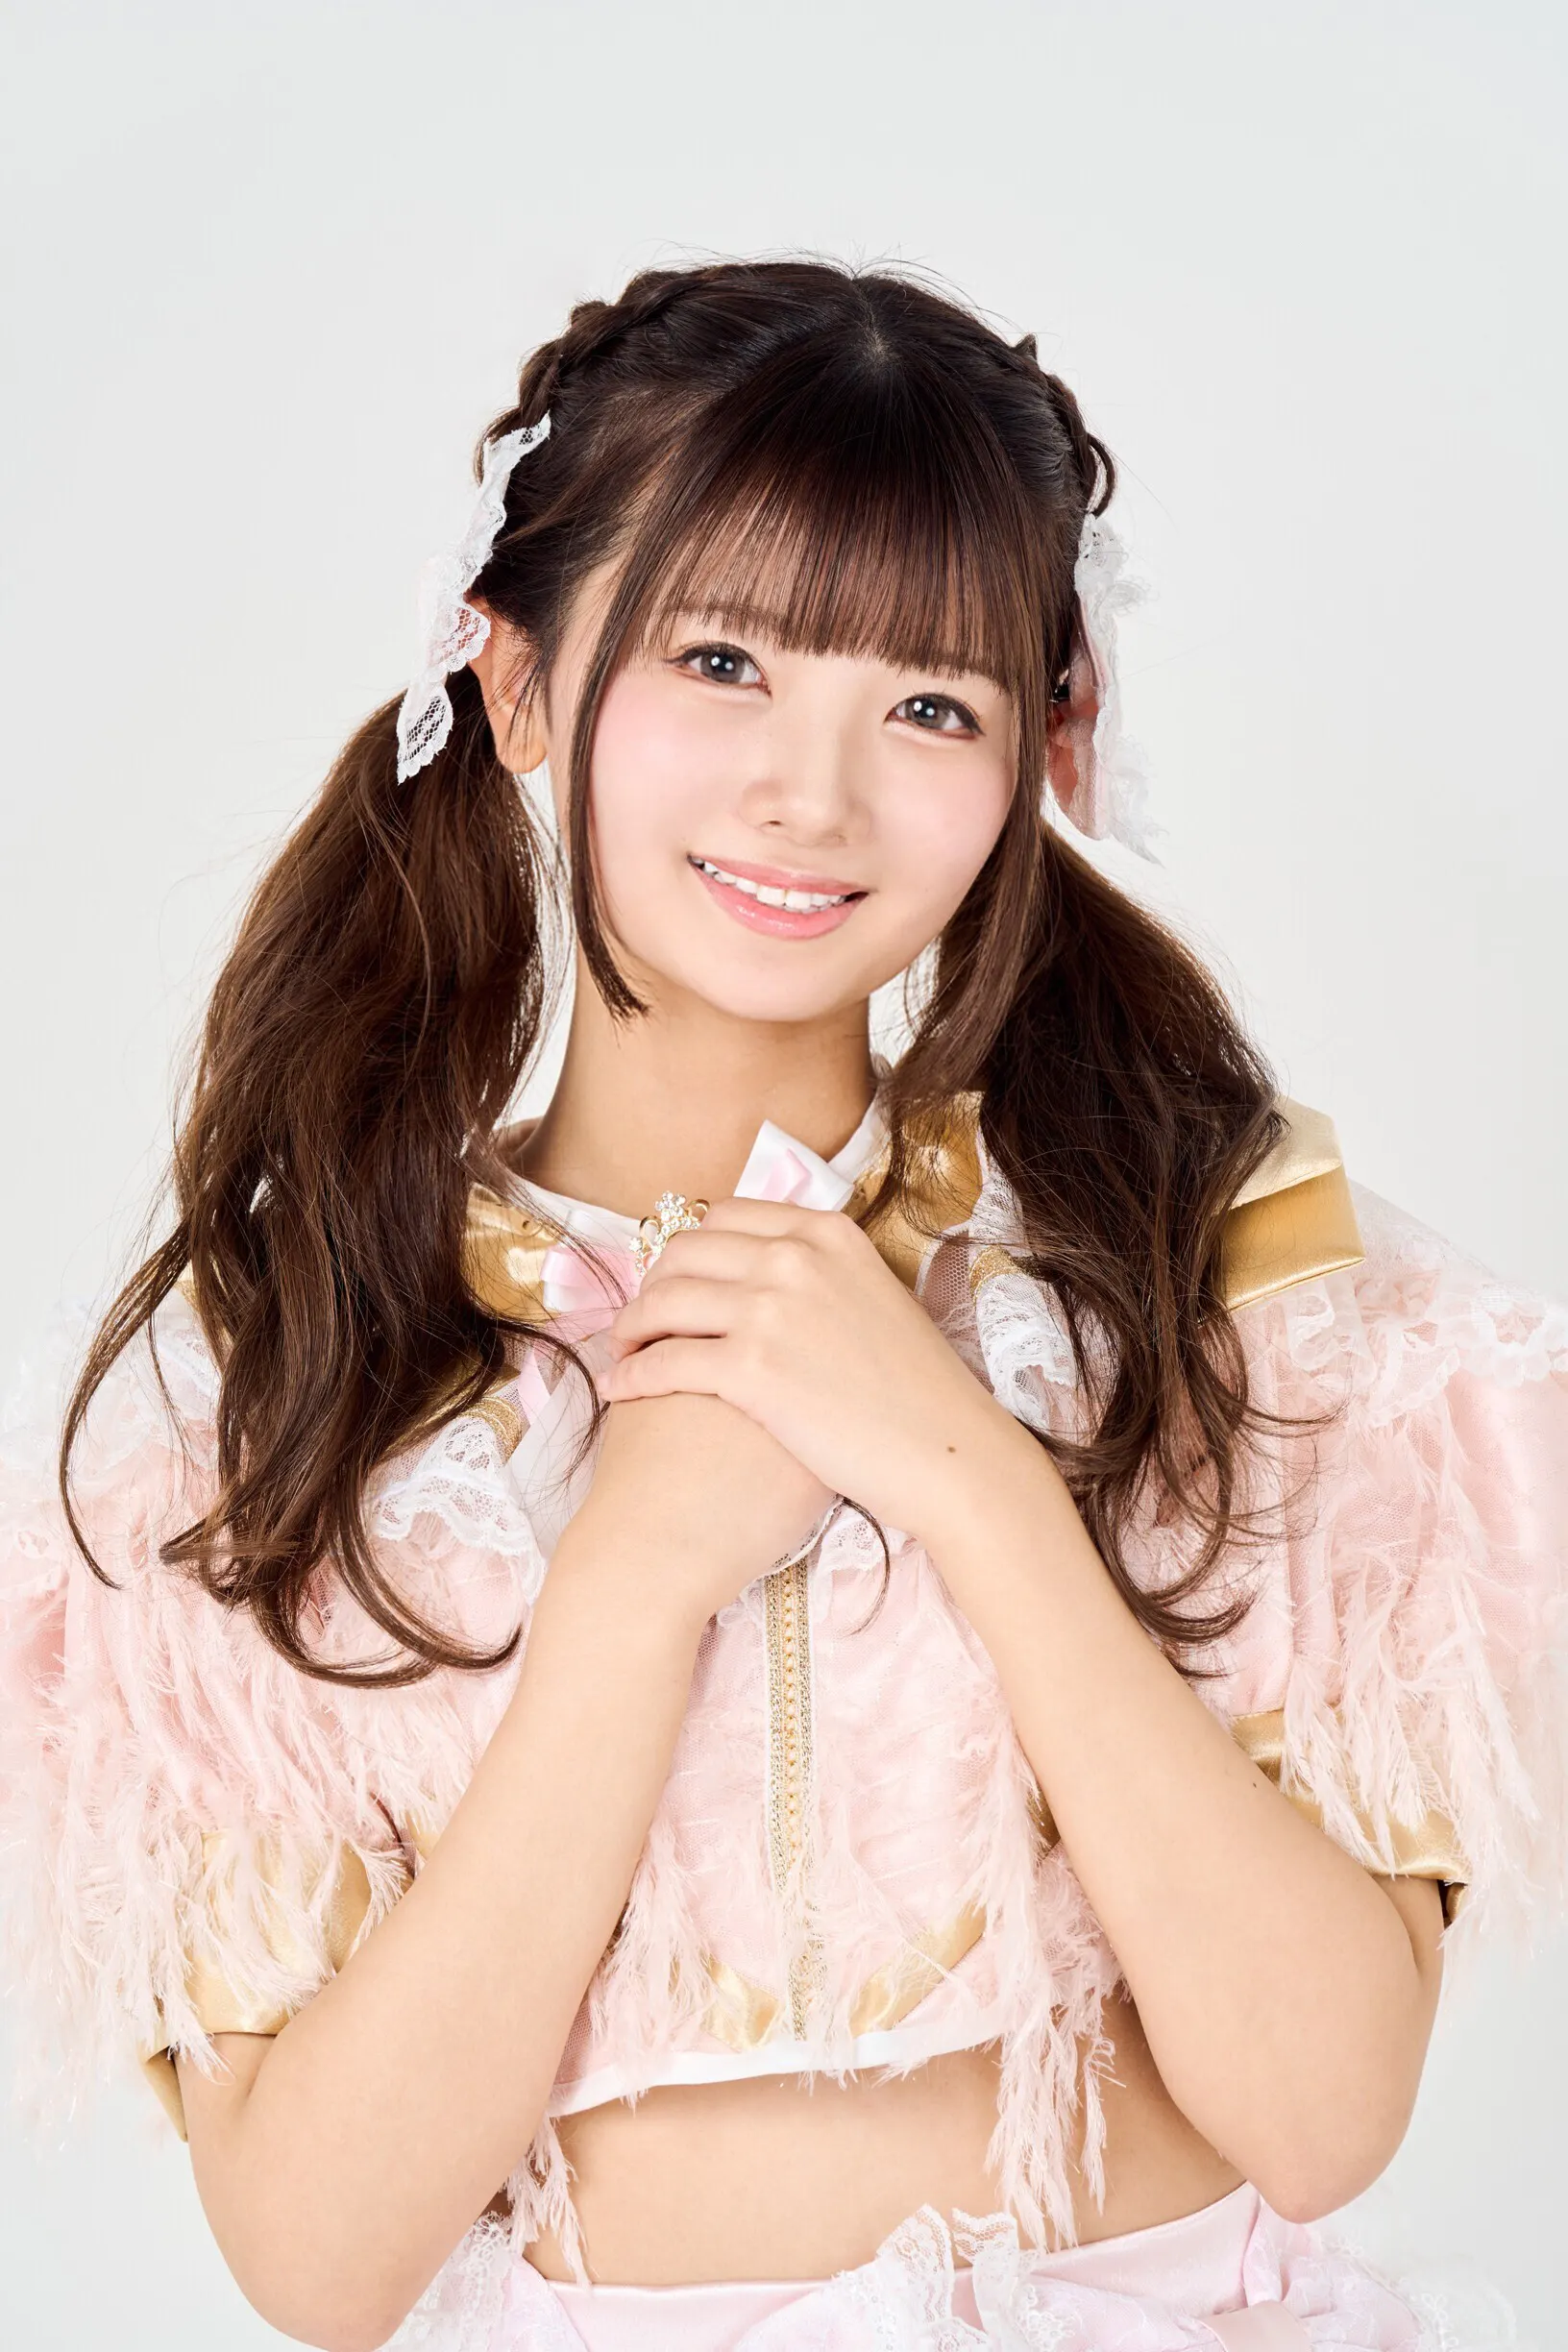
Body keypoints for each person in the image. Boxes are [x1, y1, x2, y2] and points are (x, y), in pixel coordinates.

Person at [2, 257, 1563, 2352]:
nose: (809, 797)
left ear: (1054, 741)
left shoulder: (1208, 1266)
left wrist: (963, 1473)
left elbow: (1322, 2109)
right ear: (518, 679)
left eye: (930, 706)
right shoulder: (285, 1372)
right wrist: (635, 1581)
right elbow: (321, 2258)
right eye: (722, 660)